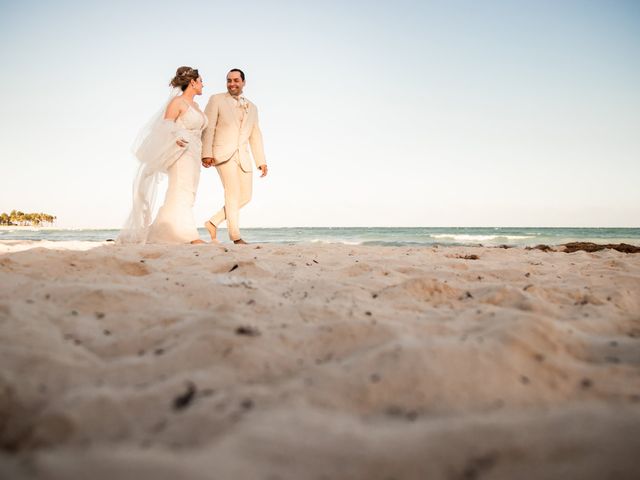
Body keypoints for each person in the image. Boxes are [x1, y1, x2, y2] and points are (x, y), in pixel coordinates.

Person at [118, 66, 208, 245]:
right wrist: (177, 136)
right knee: (180, 189)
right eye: (201, 81)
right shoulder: (177, 102)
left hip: (195, 153)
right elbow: (164, 126)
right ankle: (189, 235)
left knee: (189, 192)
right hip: (181, 152)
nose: (203, 85)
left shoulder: (196, 106)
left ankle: (164, 232)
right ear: (192, 82)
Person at [201, 68, 267, 244]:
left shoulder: (252, 107)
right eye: (229, 80)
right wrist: (206, 153)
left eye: (236, 80)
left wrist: (261, 161)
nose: (232, 84)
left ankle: (213, 222)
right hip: (222, 153)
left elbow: (255, 134)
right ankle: (236, 237)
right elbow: (209, 127)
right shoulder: (216, 100)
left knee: (246, 196)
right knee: (232, 193)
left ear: (243, 82)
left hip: (243, 156)